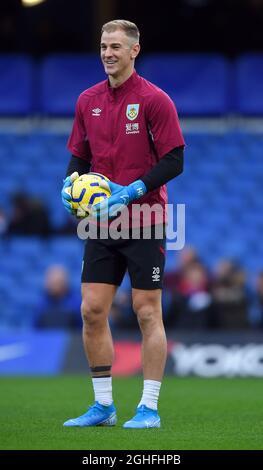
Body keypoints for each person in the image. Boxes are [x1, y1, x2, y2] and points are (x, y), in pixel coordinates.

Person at [61, 20, 185, 429]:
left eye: (116, 46)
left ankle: (148, 407)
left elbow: (174, 159)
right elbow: (80, 156)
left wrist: (133, 190)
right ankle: (103, 406)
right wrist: (70, 183)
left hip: (145, 218)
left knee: (146, 311)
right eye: (103, 46)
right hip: (101, 221)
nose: (108, 53)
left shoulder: (155, 100)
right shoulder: (87, 100)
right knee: (92, 310)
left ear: (134, 50)